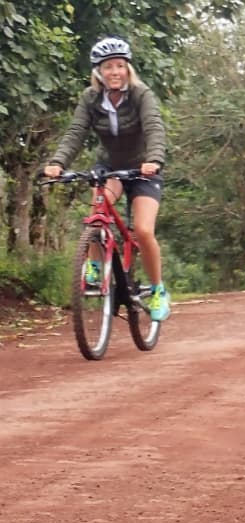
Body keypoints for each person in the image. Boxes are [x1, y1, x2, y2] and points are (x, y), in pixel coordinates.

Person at [44, 36, 170, 321]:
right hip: (109, 168)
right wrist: (57, 163)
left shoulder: (141, 94)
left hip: (142, 170)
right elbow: (76, 132)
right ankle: (94, 267)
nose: (114, 72)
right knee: (98, 214)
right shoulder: (90, 97)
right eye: (107, 67)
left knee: (143, 229)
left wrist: (154, 160)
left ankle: (159, 289)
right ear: (98, 72)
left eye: (119, 66)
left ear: (127, 68)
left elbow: (153, 128)